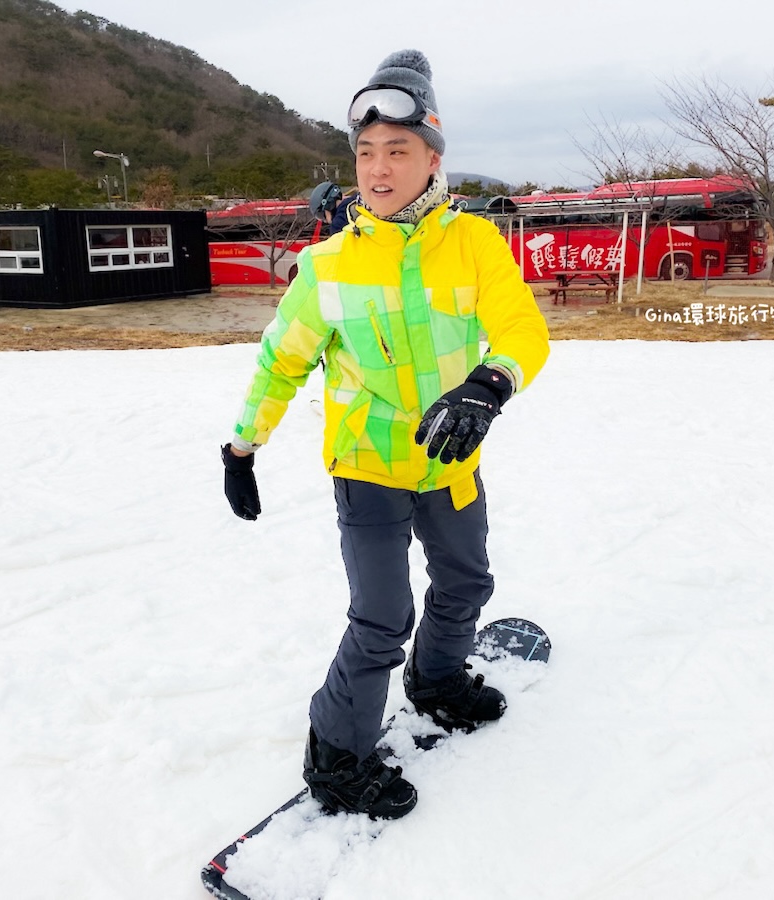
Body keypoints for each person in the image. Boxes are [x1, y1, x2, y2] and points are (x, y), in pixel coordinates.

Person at [220, 49, 550, 820]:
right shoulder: (327, 265)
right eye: (365, 152)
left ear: (432, 158)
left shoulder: (474, 245)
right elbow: (282, 363)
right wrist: (241, 446)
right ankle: (337, 754)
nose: (378, 167)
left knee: (467, 582)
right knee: (380, 617)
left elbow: (521, 330)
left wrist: (488, 383)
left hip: (449, 457)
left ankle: (436, 680)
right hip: (368, 465)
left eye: (397, 150)